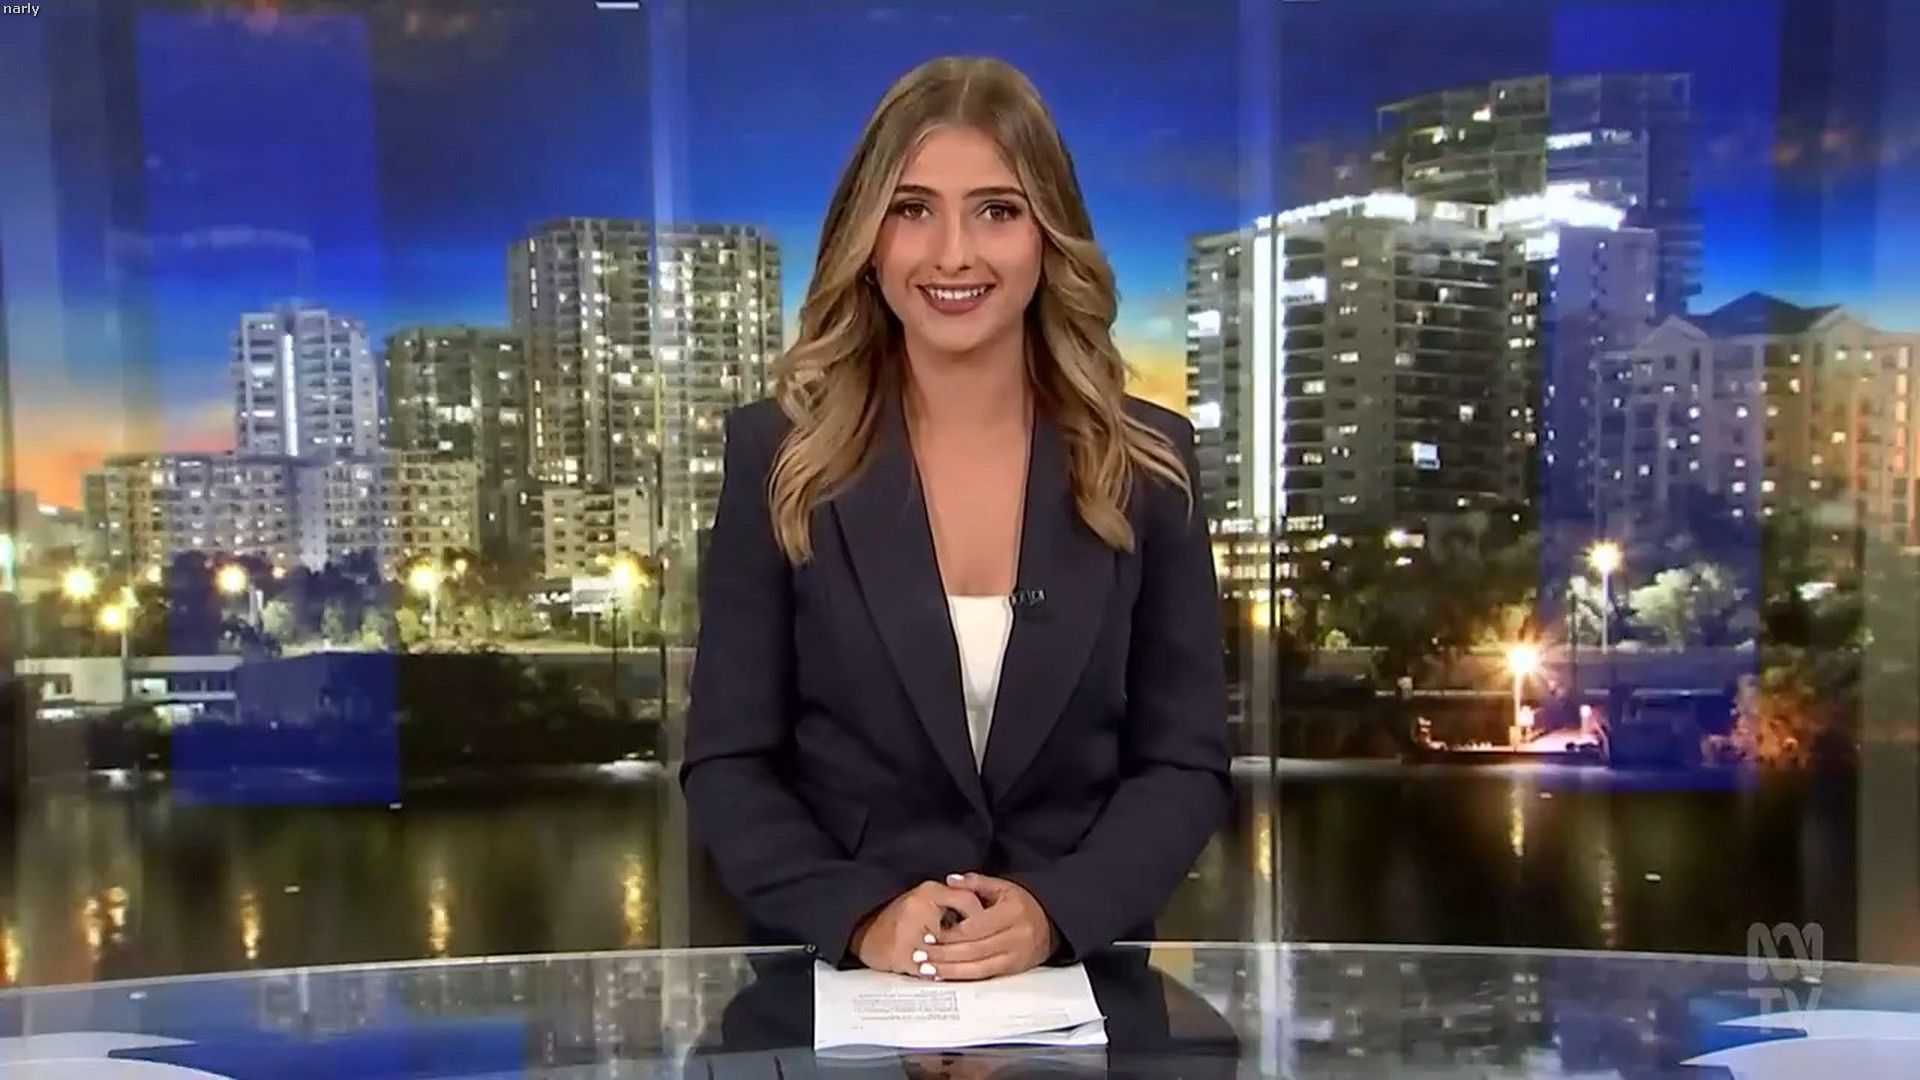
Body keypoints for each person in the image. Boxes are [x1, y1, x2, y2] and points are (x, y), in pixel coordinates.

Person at [680, 55, 1229, 983]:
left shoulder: (1147, 464)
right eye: (912, 209)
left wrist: (1054, 912)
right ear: (867, 236)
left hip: (1079, 982)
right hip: (842, 988)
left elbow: (1184, 764)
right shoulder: (777, 455)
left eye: (997, 211)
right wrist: (861, 918)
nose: (952, 255)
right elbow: (729, 764)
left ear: (1049, 236)